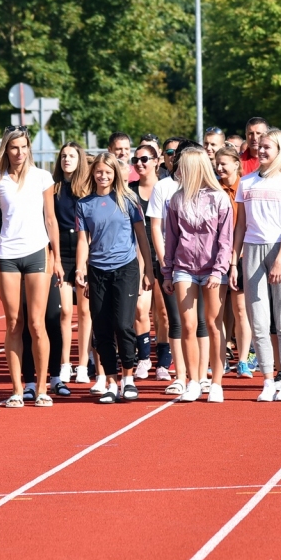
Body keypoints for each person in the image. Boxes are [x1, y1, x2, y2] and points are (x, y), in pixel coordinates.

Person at [0, 126, 63, 408]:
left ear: (29, 148)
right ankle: (17, 389)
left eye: (23, 147)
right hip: (7, 254)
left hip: (38, 252)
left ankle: (41, 388)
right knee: (14, 323)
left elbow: (51, 219)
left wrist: (58, 258)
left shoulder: (42, 177)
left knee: (37, 323)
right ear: (6, 149)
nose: (19, 152)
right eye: (14, 147)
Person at [230, 129, 281, 402]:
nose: (261, 151)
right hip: (251, 251)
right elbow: (240, 225)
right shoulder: (245, 183)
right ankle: (268, 380)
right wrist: (234, 260)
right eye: (259, 147)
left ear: (279, 150)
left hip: (280, 251)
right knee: (258, 322)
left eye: (267, 147)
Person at [75, 152, 154, 403]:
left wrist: (148, 270)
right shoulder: (84, 204)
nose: (103, 175)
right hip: (98, 272)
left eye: (108, 171)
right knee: (102, 329)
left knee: (123, 325)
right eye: (99, 171)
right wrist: (80, 269)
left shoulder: (128, 200)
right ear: (93, 174)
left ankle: (128, 379)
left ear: (115, 174)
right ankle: (110, 380)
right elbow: (82, 241)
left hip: (126, 269)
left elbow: (142, 237)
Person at [162, 147, 233, 403]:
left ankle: (216, 382)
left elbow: (226, 240)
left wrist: (219, 270)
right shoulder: (175, 200)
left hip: (213, 270)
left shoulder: (219, 199)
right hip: (183, 268)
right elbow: (170, 238)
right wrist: (167, 271)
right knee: (187, 325)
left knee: (214, 325)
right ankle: (193, 381)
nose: (177, 170)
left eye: (182, 166)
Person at [149, 140, 211, 394]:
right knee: (177, 321)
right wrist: (166, 263)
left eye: (181, 154)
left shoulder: (206, 188)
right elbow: (156, 226)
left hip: (203, 263)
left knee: (202, 321)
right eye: (172, 154)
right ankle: (182, 375)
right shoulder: (163, 187)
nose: (177, 159)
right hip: (174, 263)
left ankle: (203, 373)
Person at [53, 142, 91, 387]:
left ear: (80, 160)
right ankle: (64, 364)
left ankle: (84, 365)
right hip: (60, 251)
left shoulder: (87, 188)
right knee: (65, 311)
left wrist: (83, 263)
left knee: (86, 312)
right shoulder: (53, 188)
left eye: (72, 156)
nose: (67, 159)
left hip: (84, 249)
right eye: (64, 156)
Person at [214, 147, 254, 378]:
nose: (219, 168)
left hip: (241, 253)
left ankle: (243, 360)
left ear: (236, 164)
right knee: (218, 311)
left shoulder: (246, 187)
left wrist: (237, 255)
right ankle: (221, 358)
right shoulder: (213, 188)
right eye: (217, 164)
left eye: (224, 164)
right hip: (217, 255)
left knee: (240, 309)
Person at [128, 144, 164, 381]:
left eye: (144, 159)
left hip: (164, 255)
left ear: (156, 161)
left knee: (163, 313)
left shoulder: (166, 188)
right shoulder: (129, 191)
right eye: (136, 159)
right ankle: (143, 358)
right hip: (138, 256)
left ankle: (164, 361)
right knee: (140, 309)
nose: (139, 163)